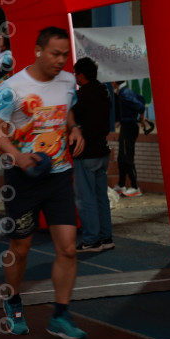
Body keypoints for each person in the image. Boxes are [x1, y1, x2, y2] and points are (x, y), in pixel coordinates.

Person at [0, 26, 87, 339]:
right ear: (38, 51)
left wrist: (75, 129)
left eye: (65, 55)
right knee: (20, 248)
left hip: (59, 176)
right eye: (55, 54)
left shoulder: (68, 82)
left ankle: (60, 316)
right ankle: (13, 299)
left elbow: (67, 112)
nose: (60, 60)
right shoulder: (13, 88)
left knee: (68, 249)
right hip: (23, 179)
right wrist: (17, 156)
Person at [72, 57, 114, 252]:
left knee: (85, 198)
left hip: (86, 152)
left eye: (76, 74)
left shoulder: (81, 96)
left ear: (81, 75)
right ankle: (106, 237)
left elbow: (70, 115)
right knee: (101, 197)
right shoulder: (104, 91)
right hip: (102, 151)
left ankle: (91, 239)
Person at [111, 80, 145, 197]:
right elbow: (141, 99)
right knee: (121, 158)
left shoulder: (125, 93)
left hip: (129, 127)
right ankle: (121, 184)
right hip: (125, 126)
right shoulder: (123, 92)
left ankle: (135, 187)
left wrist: (141, 116)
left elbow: (140, 105)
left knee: (127, 157)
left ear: (115, 82)